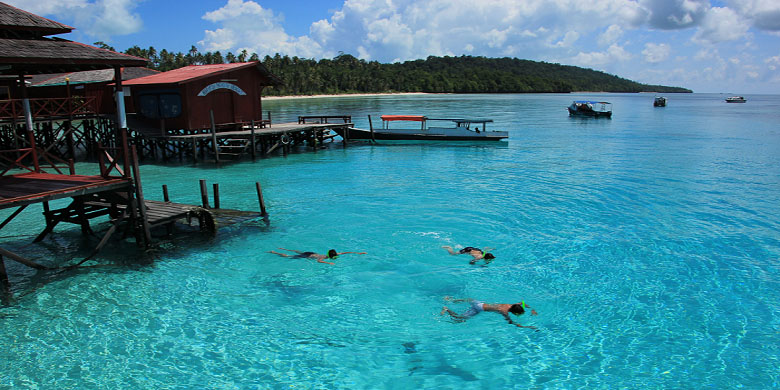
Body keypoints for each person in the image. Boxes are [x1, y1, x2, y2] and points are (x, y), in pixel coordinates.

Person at [440, 296, 538, 329]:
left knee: (467, 300)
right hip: (478, 309)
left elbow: (522, 303)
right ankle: (446, 309)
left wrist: (532, 308)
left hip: (479, 303)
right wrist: (524, 326)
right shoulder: (504, 311)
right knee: (459, 319)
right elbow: (510, 322)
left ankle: (451, 299)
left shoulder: (511, 305)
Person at [268, 247, 366, 265]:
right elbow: (319, 261)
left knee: (298, 251)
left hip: (310, 253)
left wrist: (358, 253)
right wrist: (328, 263)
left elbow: (345, 252)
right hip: (307, 256)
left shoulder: (327, 255)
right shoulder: (323, 257)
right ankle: (275, 252)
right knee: (288, 256)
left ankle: (283, 248)